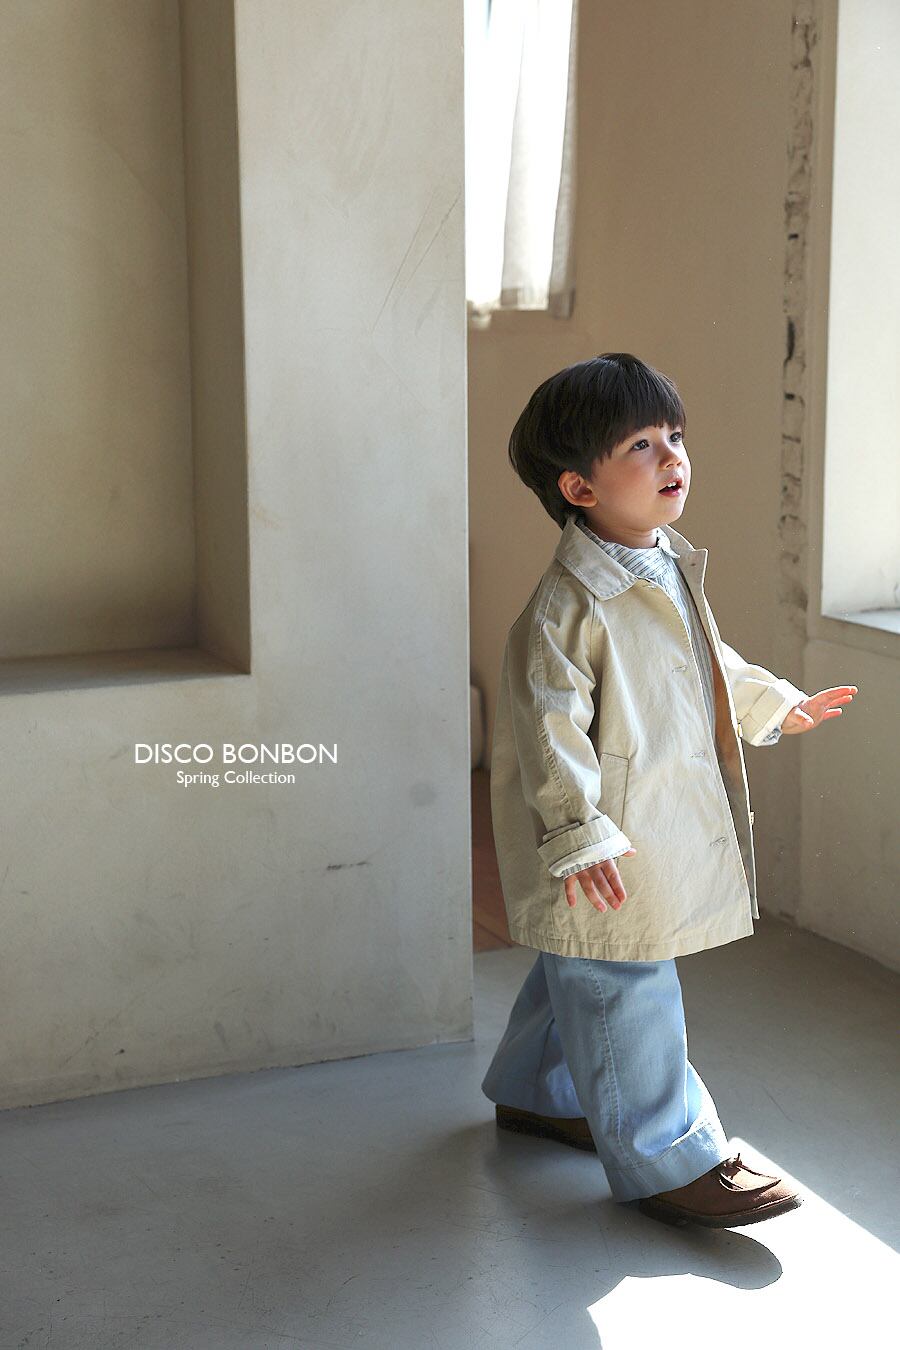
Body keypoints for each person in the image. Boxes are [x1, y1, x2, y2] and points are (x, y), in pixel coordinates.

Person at [481, 352, 859, 1227]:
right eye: (641, 445)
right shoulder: (566, 609)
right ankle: (669, 1155)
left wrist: (775, 703)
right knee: (625, 976)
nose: (672, 457)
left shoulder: (660, 566)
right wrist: (578, 831)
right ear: (580, 487)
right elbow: (547, 729)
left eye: (674, 436)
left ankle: (538, 1090)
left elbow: (706, 663)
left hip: (643, 819)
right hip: (605, 833)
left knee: (583, 957)